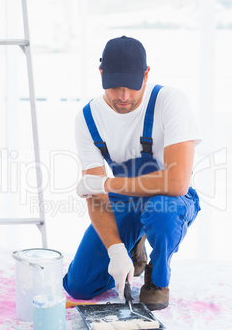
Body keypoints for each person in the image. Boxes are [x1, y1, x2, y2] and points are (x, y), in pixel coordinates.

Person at [63, 35, 201, 310]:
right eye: (114, 86)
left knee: (160, 212)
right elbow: (97, 196)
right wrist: (115, 250)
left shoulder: (170, 101)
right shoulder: (88, 119)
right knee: (80, 286)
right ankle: (132, 248)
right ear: (101, 74)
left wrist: (106, 182)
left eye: (132, 86)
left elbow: (176, 182)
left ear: (146, 74)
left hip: (169, 200)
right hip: (123, 201)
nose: (123, 96)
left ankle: (158, 278)